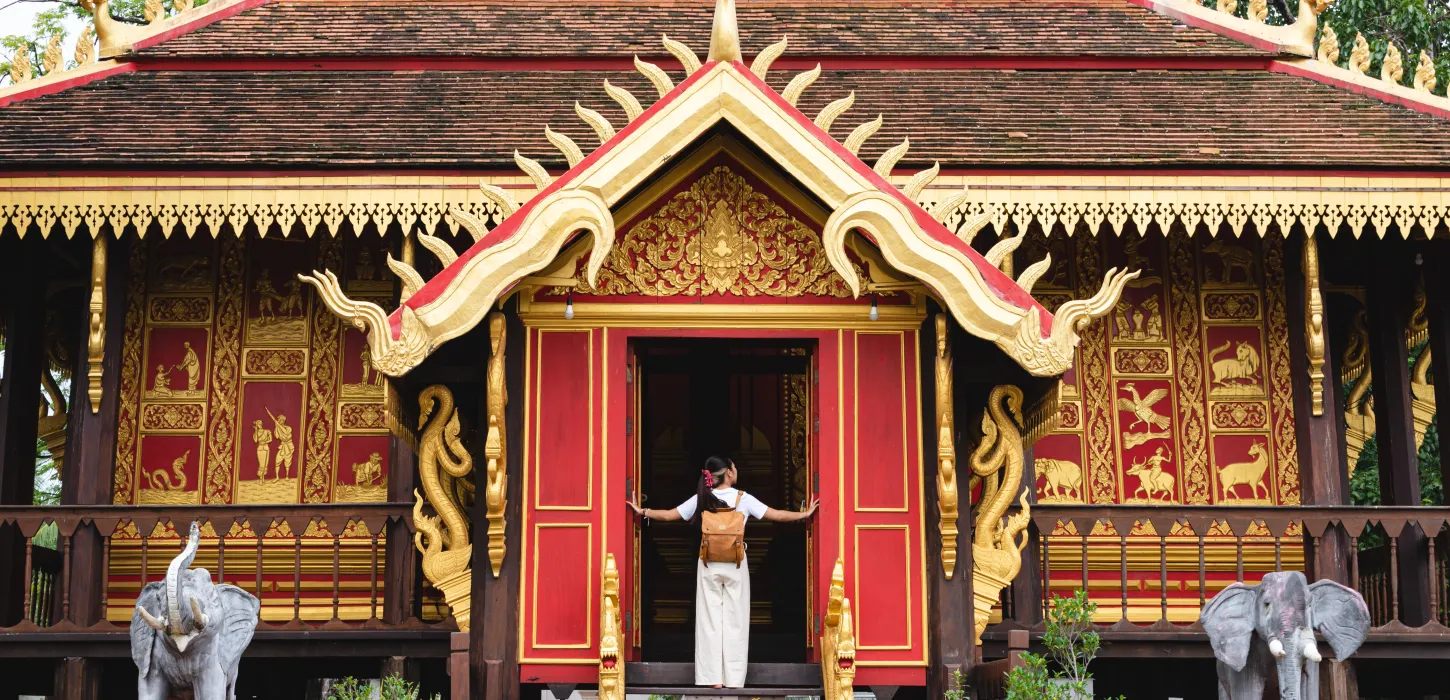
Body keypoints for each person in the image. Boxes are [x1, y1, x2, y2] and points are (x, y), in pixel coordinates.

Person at [627, 455, 818, 690]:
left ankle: (712, 678)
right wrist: (805, 514)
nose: (736, 470)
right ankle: (734, 678)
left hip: (708, 563)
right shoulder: (743, 499)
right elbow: (776, 515)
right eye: (735, 467)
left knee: (709, 620)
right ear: (728, 472)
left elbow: (669, 515)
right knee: (736, 620)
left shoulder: (702, 497)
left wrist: (642, 510)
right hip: (736, 562)